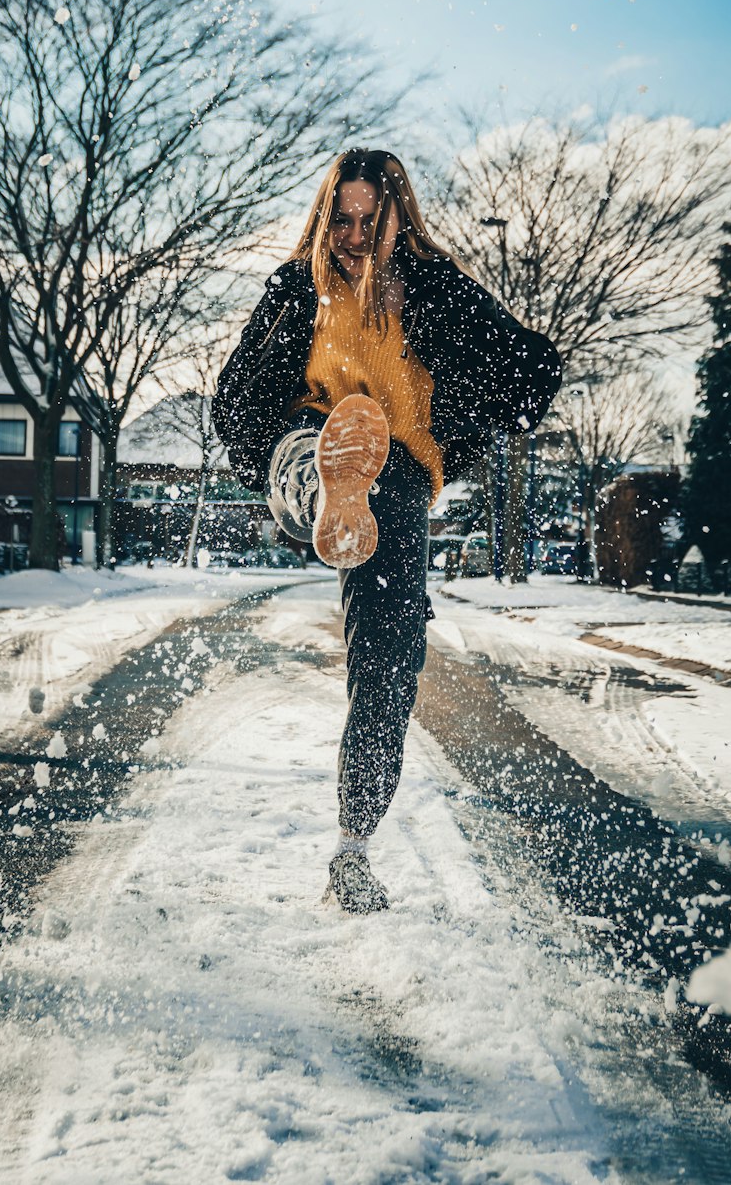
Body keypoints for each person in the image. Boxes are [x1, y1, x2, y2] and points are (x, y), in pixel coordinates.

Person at [212, 148, 561, 914]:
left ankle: (354, 844)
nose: (356, 234)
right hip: (307, 435)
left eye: (372, 219)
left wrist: (463, 343)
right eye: (343, 219)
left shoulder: (434, 288)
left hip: (397, 469)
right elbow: (232, 398)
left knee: (391, 656)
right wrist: (262, 445)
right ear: (324, 216)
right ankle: (317, 488)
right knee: (321, 442)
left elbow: (534, 375)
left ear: (399, 216)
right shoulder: (295, 287)